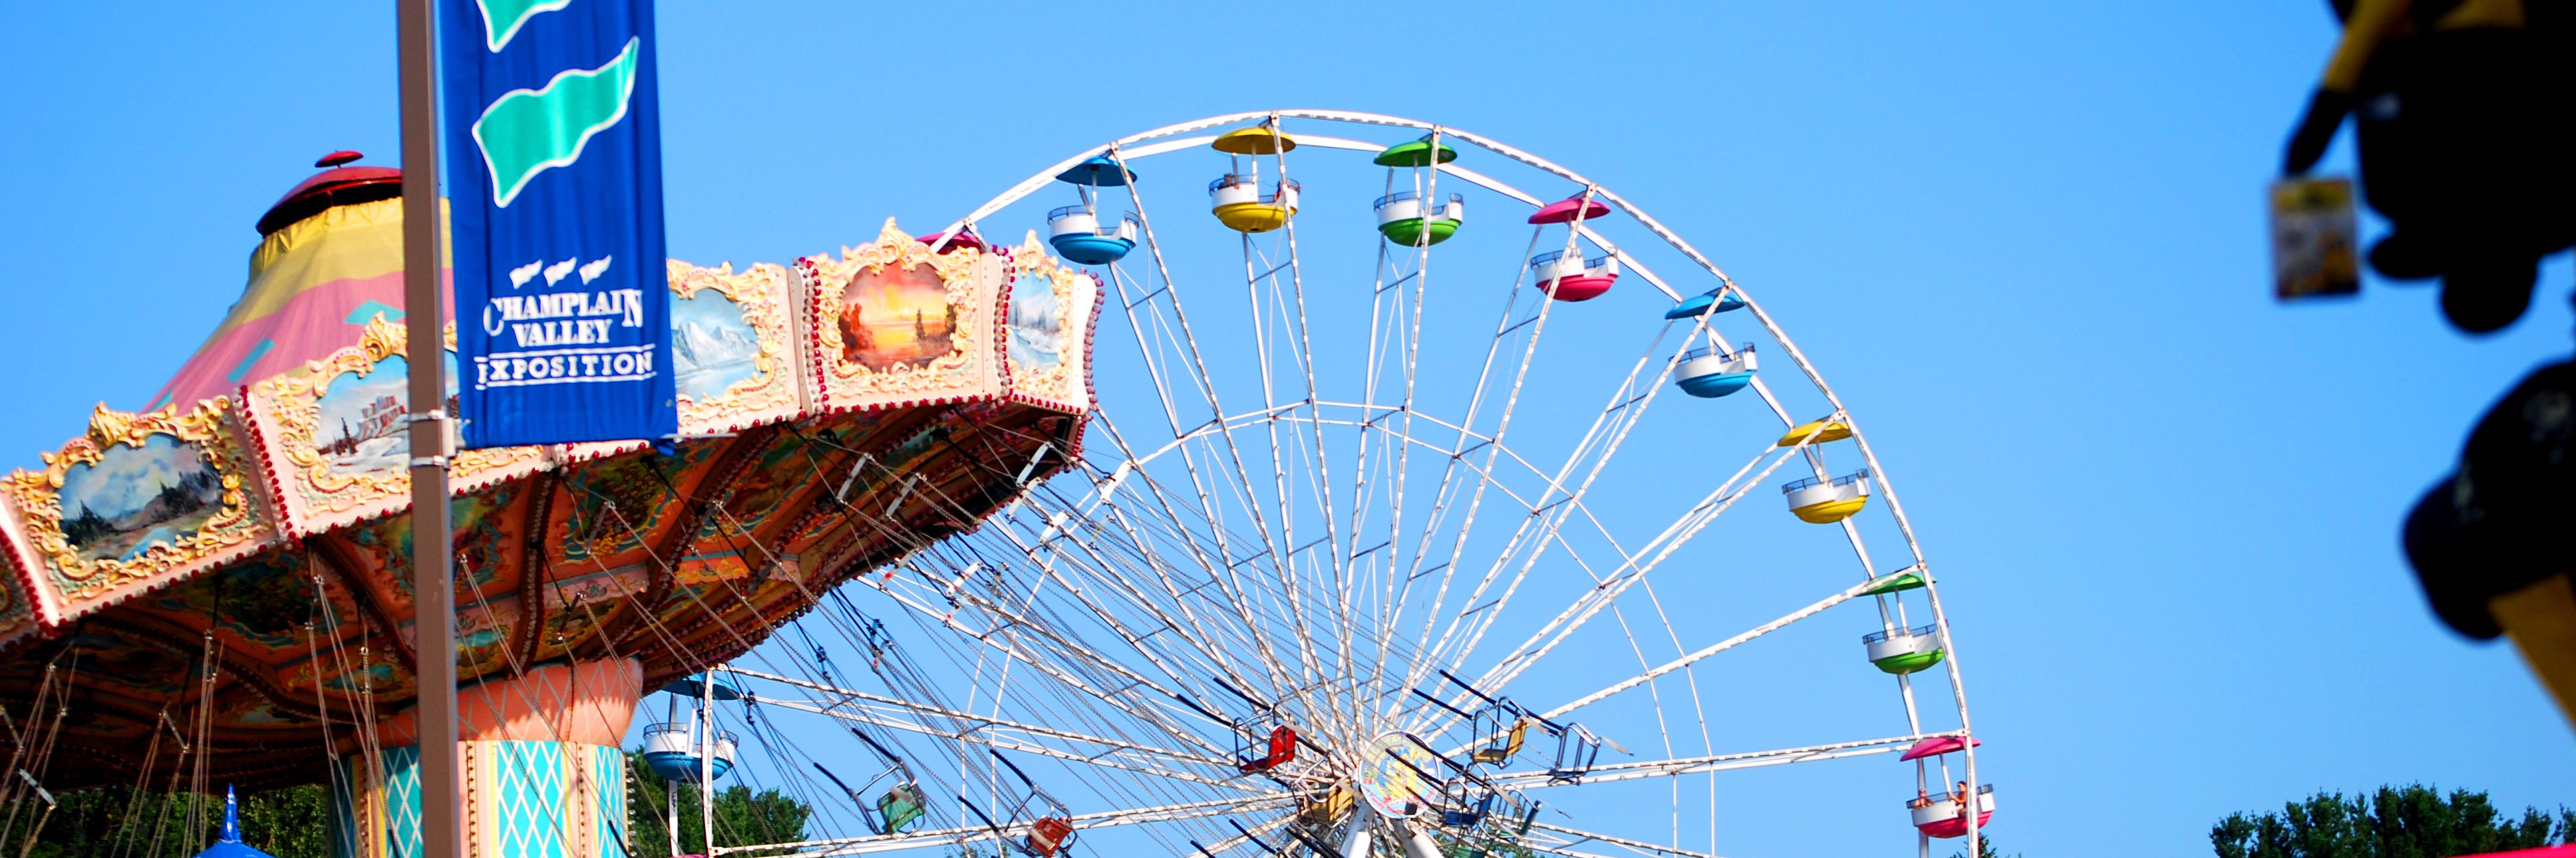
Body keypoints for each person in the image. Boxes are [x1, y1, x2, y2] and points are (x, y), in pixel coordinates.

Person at [2280, 0, 2575, 334]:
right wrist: (2323, 118)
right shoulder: (2397, 196)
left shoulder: (2400, 196)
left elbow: (2375, 66)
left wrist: (2322, 118)